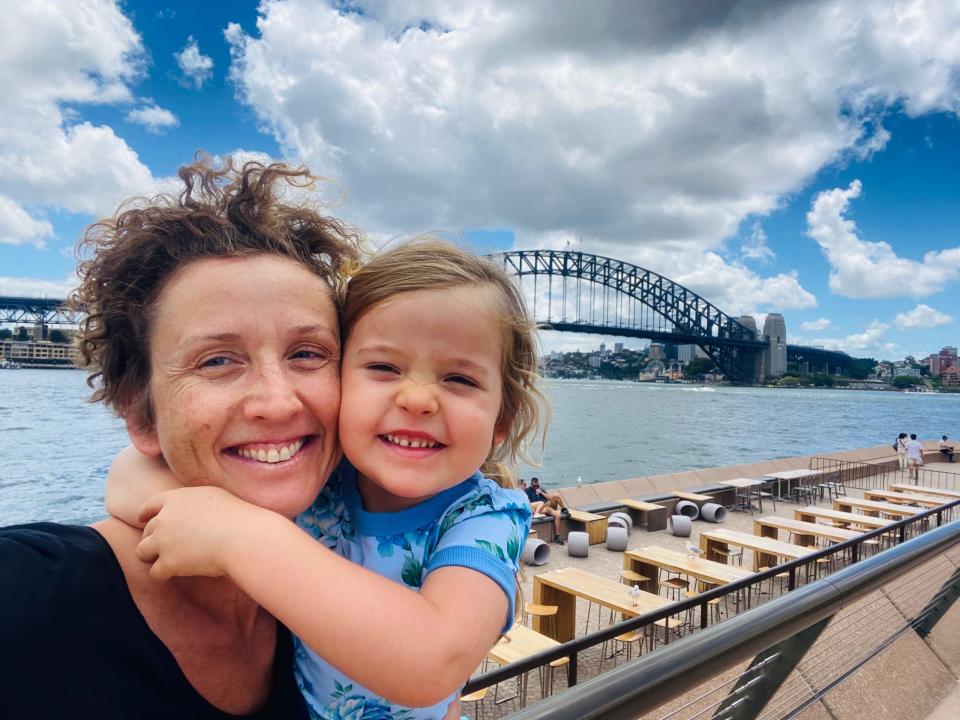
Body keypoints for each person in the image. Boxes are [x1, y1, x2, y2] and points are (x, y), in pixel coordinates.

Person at [108, 238, 545, 718]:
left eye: (460, 380)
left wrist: (241, 537)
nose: (418, 399)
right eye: (383, 367)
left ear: (501, 420)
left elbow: (430, 663)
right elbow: (130, 473)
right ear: (339, 382)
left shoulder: (485, 519)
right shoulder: (322, 480)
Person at [0, 159, 362, 718]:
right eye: (217, 360)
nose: (277, 400)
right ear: (139, 415)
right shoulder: (24, 597)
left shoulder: (357, 578)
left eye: (308, 353)